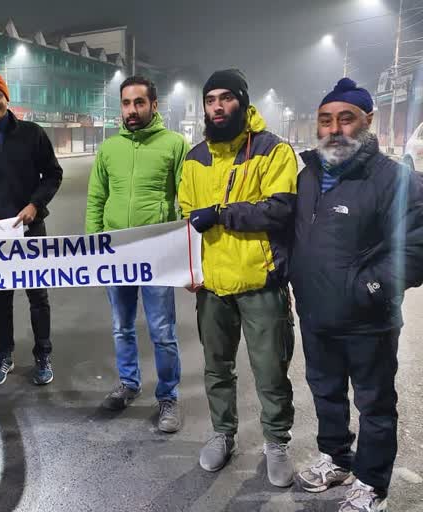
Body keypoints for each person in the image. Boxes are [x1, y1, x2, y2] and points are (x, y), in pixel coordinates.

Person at [290, 78, 423, 511]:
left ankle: (372, 482)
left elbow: (415, 248)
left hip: (369, 319)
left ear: (368, 121)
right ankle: (336, 458)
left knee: (375, 404)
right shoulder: (308, 174)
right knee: (325, 393)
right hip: (316, 316)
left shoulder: (395, 180)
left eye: (346, 119)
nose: (335, 128)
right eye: (326, 120)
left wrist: (368, 288)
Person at [177, 69, 297, 487]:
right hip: (211, 287)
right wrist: (189, 270)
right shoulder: (194, 158)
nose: (217, 107)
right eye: (211, 99)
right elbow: (187, 218)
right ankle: (222, 434)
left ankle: (277, 442)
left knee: (270, 369)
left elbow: (280, 209)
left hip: (261, 282)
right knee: (216, 367)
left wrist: (225, 214)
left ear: (243, 102)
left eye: (226, 98)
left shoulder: (272, 151)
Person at [85, 75, 188, 432]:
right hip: (116, 253)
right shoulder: (109, 149)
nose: (132, 110)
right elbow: (97, 199)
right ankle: (129, 384)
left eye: (139, 103)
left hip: (157, 254)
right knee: (121, 327)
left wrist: (186, 255)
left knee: (162, 330)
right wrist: (93, 246)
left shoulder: (175, 145)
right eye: (126, 103)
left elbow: (186, 202)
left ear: (154, 105)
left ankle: (168, 397)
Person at [0, 70, 63, 387]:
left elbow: (53, 174)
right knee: (1, 298)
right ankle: (3, 354)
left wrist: (35, 205)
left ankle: (43, 355)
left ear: (7, 98)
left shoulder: (32, 134)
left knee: (38, 296)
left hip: (31, 228)